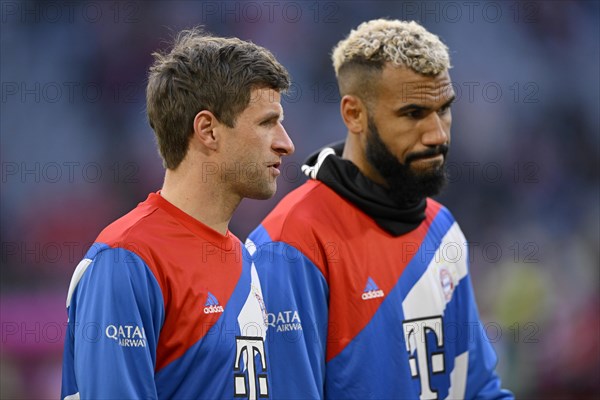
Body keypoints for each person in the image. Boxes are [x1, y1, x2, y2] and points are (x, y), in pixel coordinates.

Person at [248, 19, 514, 399]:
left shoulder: (442, 229)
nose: (438, 134)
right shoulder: (291, 245)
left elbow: (478, 389)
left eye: (444, 109)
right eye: (413, 114)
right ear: (354, 114)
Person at [61, 28, 294, 399]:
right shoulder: (126, 261)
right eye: (267, 122)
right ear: (208, 130)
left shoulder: (245, 259)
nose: (286, 143)